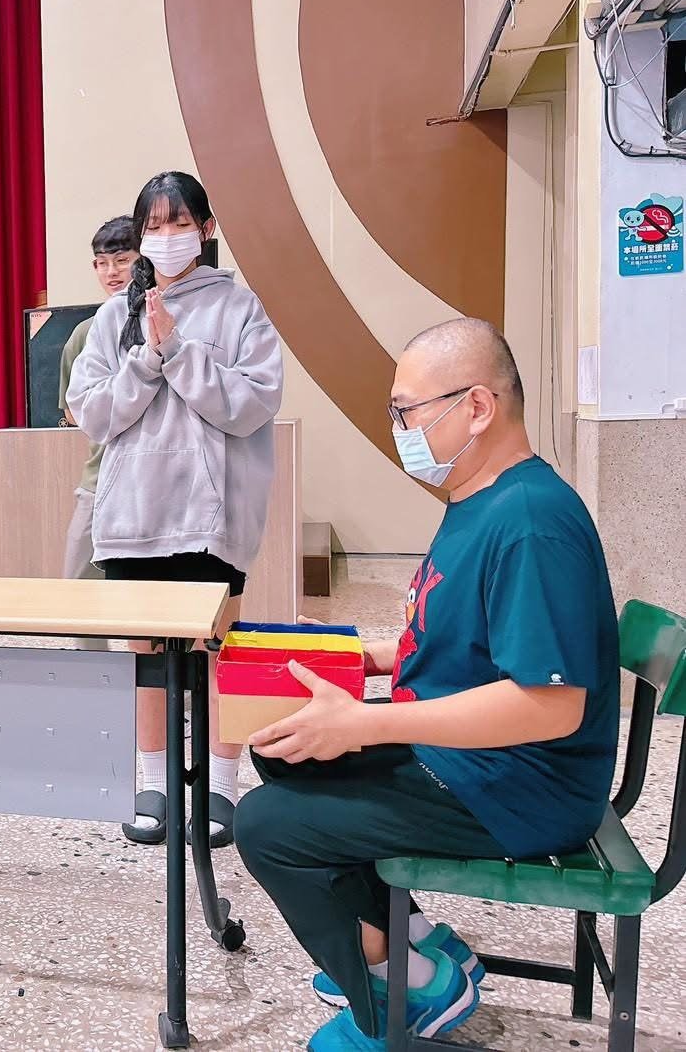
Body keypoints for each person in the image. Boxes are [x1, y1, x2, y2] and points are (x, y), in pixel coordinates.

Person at [234, 318, 619, 1051]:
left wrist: (366, 722)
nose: (400, 431)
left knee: (268, 827)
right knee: (283, 750)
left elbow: (549, 704)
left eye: (407, 411)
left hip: (521, 785)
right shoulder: (480, 501)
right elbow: (461, 639)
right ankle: (408, 945)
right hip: (474, 759)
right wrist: (366, 659)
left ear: (476, 407)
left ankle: (399, 999)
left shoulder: (531, 524)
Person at [67, 171, 283, 850]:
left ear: (206, 229)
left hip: (212, 521)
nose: (167, 237)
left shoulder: (240, 308)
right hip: (133, 517)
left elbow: (251, 405)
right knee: (145, 659)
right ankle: (152, 781)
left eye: (180, 223)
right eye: (154, 226)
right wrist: (145, 358)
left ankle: (221, 783)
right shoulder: (113, 317)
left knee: (218, 651)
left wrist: (179, 352)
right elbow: (91, 414)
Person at [58, 216, 137, 653]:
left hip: (158, 484)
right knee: (79, 588)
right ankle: (93, 678)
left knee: (157, 595)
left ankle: (162, 684)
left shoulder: (168, 321)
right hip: (100, 479)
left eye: (122, 260)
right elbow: (74, 411)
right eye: (102, 263)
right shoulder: (84, 334)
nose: (112, 272)